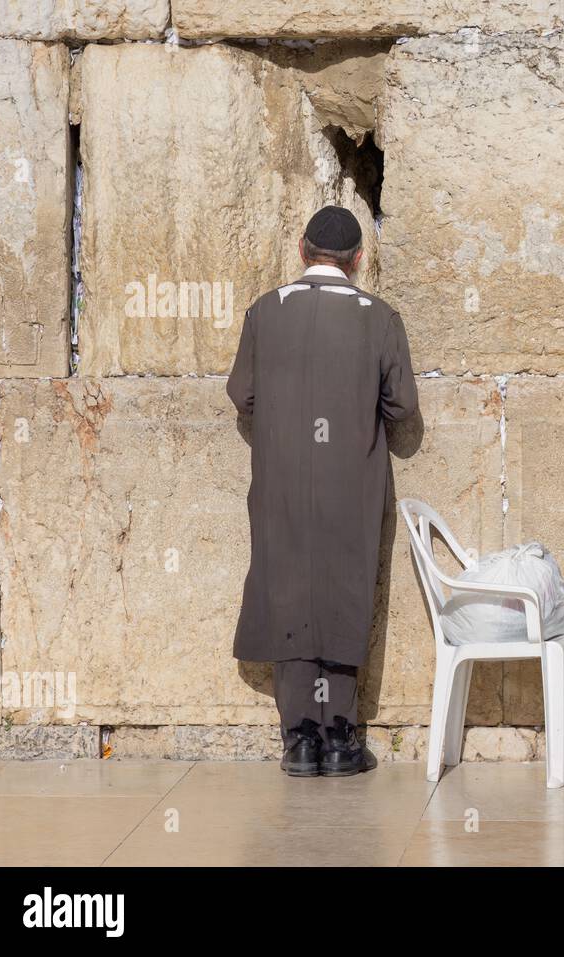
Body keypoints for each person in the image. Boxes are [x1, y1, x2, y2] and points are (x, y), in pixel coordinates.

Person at [227, 206, 418, 777]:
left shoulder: (266, 312)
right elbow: (403, 406)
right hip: (350, 484)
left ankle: (299, 741)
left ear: (303, 250)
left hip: (282, 479)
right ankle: (340, 738)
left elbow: (243, 394)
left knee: (288, 587)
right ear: (357, 259)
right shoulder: (378, 317)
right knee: (342, 590)